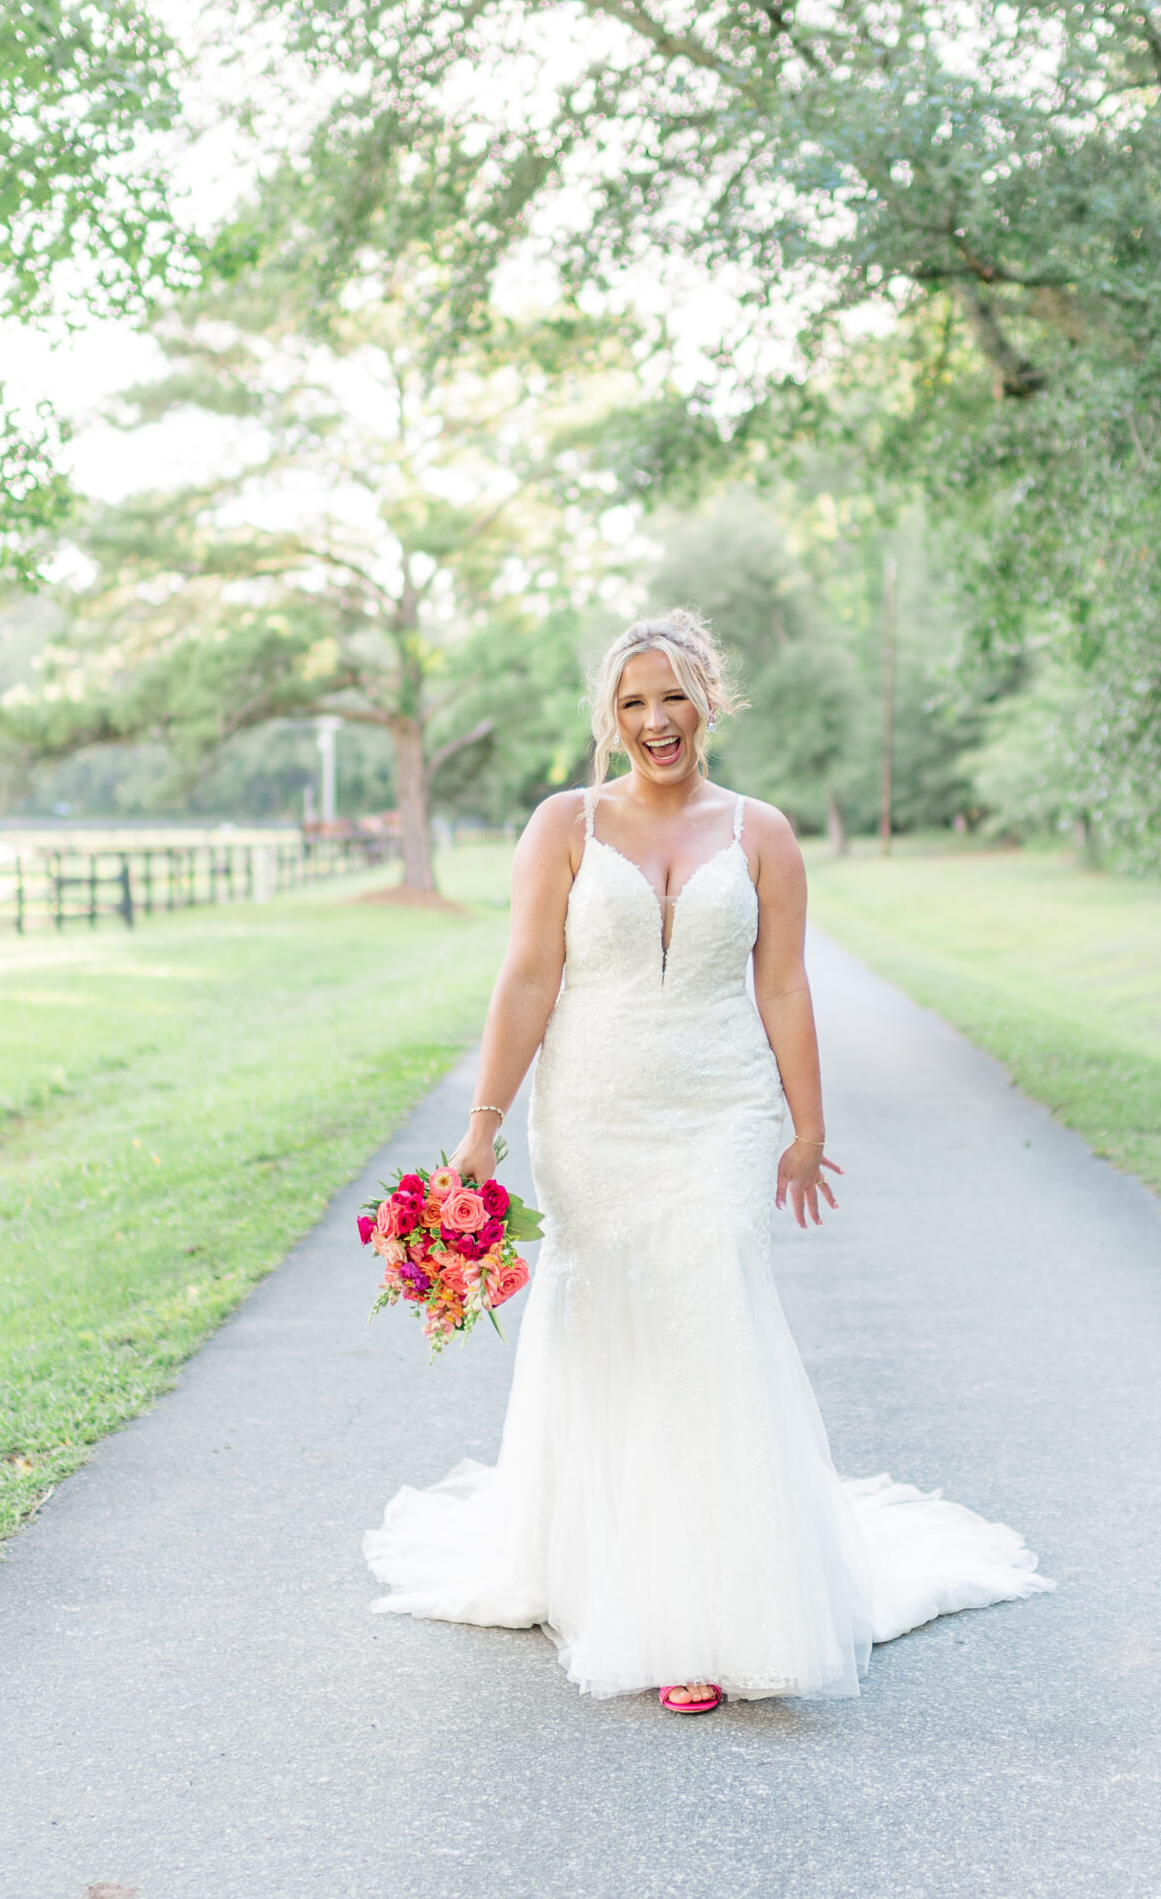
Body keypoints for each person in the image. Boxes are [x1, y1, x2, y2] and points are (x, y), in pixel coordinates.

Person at [364, 610, 1051, 1709]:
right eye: (633, 702)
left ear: (709, 701)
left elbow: (782, 983)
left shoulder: (762, 834)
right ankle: (616, 1578)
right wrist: (482, 1123)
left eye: (673, 696)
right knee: (612, 1326)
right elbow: (528, 977)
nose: (654, 720)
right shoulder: (564, 825)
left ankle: (713, 1605)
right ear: (609, 716)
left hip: (719, 1110)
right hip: (589, 1111)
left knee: (710, 1312)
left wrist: (806, 1125)